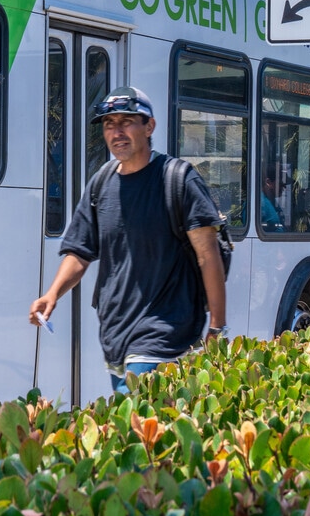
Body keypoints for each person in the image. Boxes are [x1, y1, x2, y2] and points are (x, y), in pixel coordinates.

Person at [30, 87, 228, 395]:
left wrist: (217, 326)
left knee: (134, 427)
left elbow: (208, 256)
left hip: (164, 333)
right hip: (115, 334)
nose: (117, 131)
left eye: (126, 122)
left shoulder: (178, 179)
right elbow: (80, 252)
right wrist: (53, 294)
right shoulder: (102, 182)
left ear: (149, 126)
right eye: (109, 124)